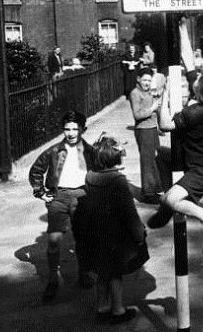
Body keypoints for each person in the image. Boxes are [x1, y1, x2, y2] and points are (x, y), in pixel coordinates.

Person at [147, 71, 203, 257]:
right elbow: (191, 67)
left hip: (201, 173)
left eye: (198, 79)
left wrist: (165, 95)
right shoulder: (200, 105)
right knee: (161, 154)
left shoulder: (196, 112)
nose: (196, 78)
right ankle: (168, 207)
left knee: (171, 199)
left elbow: (165, 125)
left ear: (200, 90)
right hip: (192, 163)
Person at [73, 136, 147, 324]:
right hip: (116, 235)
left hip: (96, 231)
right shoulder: (118, 181)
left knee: (102, 272)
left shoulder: (90, 177)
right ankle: (118, 309)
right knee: (115, 274)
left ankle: (102, 307)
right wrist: (139, 234)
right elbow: (129, 213)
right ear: (114, 160)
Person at [29, 110, 96, 301]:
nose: (71, 133)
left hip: (82, 195)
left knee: (83, 238)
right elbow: (36, 170)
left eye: (75, 129)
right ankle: (52, 279)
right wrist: (41, 192)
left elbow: (100, 170)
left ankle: (84, 273)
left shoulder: (90, 151)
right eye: (67, 129)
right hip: (58, 197)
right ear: (63, 130)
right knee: (53, 240)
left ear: (83, 129)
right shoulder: (53, 151)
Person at [129, 67, 163, 203]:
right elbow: (137, 114)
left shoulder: (150, 92)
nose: (147, 83)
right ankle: (148, 194)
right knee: (147, 162)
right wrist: (152, 108)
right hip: (143, 130)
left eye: (149, 80)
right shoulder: (135, 93)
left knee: (155, 160)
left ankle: (155, 189)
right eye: (144, 80)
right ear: (138, 79)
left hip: (153, 129)